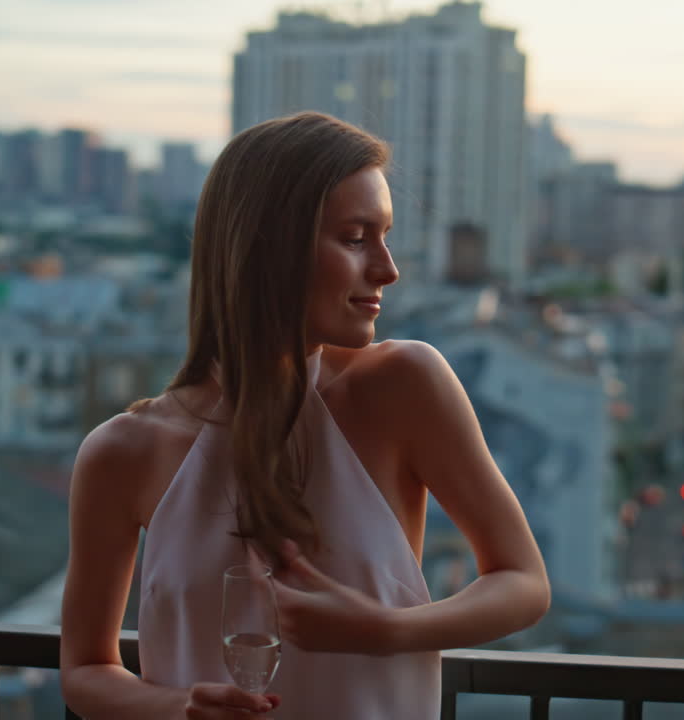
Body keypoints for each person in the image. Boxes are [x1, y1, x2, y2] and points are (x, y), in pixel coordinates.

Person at [60, 112, 550, 720]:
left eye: (385, 234)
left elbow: (523, 582)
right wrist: (176, 707)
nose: (387, 268)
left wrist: (383, 629)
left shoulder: (402, 387)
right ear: (269, 246)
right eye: (354, 237)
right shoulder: (123, 452)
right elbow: (85, 670)